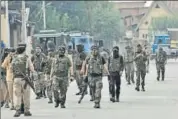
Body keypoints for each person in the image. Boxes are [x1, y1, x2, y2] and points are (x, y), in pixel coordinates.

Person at [11, 43, 35, 117]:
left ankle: (17, 111)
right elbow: (32, 69)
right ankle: (26, 110)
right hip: (25, 80)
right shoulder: (26, 58)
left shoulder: (14, 58)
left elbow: (12, 69)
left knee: (17, 95)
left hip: (16, 79)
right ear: (24, 50)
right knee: (26, 95)